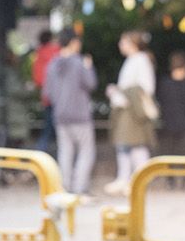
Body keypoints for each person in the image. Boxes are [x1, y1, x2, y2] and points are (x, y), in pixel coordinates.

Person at [42, 28, 97, 195]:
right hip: (80, 115)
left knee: (65, 151)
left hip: (60, 114)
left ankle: (65, 186)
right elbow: (91, 84)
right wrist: (89, 67)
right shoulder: (79, 63)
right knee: (86, 150)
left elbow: (47, 92)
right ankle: (80, 187)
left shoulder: (52, 64)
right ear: (73, 42)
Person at [103, 30, 158, 196]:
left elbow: (145, 88)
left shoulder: (140, 60)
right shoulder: (133, 60)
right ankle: (125, 178)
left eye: (124, 42)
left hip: (133, 110)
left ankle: (138, 180)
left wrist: (122, 92)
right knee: (125, 145)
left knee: (136, 145)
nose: (121, 45)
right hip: (126, 109)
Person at [155, 50, 185, 189]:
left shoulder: (164, 83)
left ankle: (170, 180)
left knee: (168, 153)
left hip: (167, 123)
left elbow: (159, 102)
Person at [31, 27, 60, 154]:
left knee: (48, 126)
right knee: (59, 128)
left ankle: (41, 152)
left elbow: (37, 79)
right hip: (61, 96)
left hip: (46, 97)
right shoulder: (57, 51)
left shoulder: (38, 55)